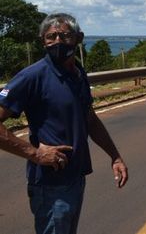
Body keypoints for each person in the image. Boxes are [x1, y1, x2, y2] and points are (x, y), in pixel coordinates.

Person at [0, 13, 128, 234]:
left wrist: (114, 155)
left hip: (75, 177)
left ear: (79, 38)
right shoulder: (32, 76)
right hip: (50, 184)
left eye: (65, 35)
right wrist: (35, 154)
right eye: (51, 37)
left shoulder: (77, 73)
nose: (58, 41)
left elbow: (89, 117)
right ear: (43, 41)